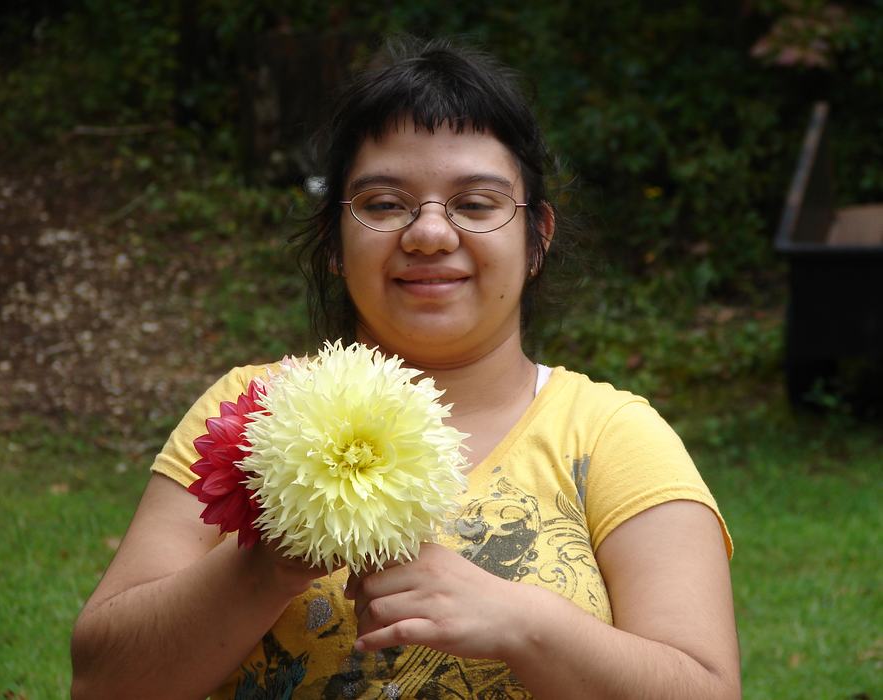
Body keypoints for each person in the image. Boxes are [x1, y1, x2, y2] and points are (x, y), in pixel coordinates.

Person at [71, 37, 740, 699]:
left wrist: (524, 623)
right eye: (384, 204)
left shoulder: (610, 434)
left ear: (536, 238)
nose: (428, 234)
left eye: (475, 204)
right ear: (335, 239)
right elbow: (101, 684)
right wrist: (266, 566)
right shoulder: (254, 409)